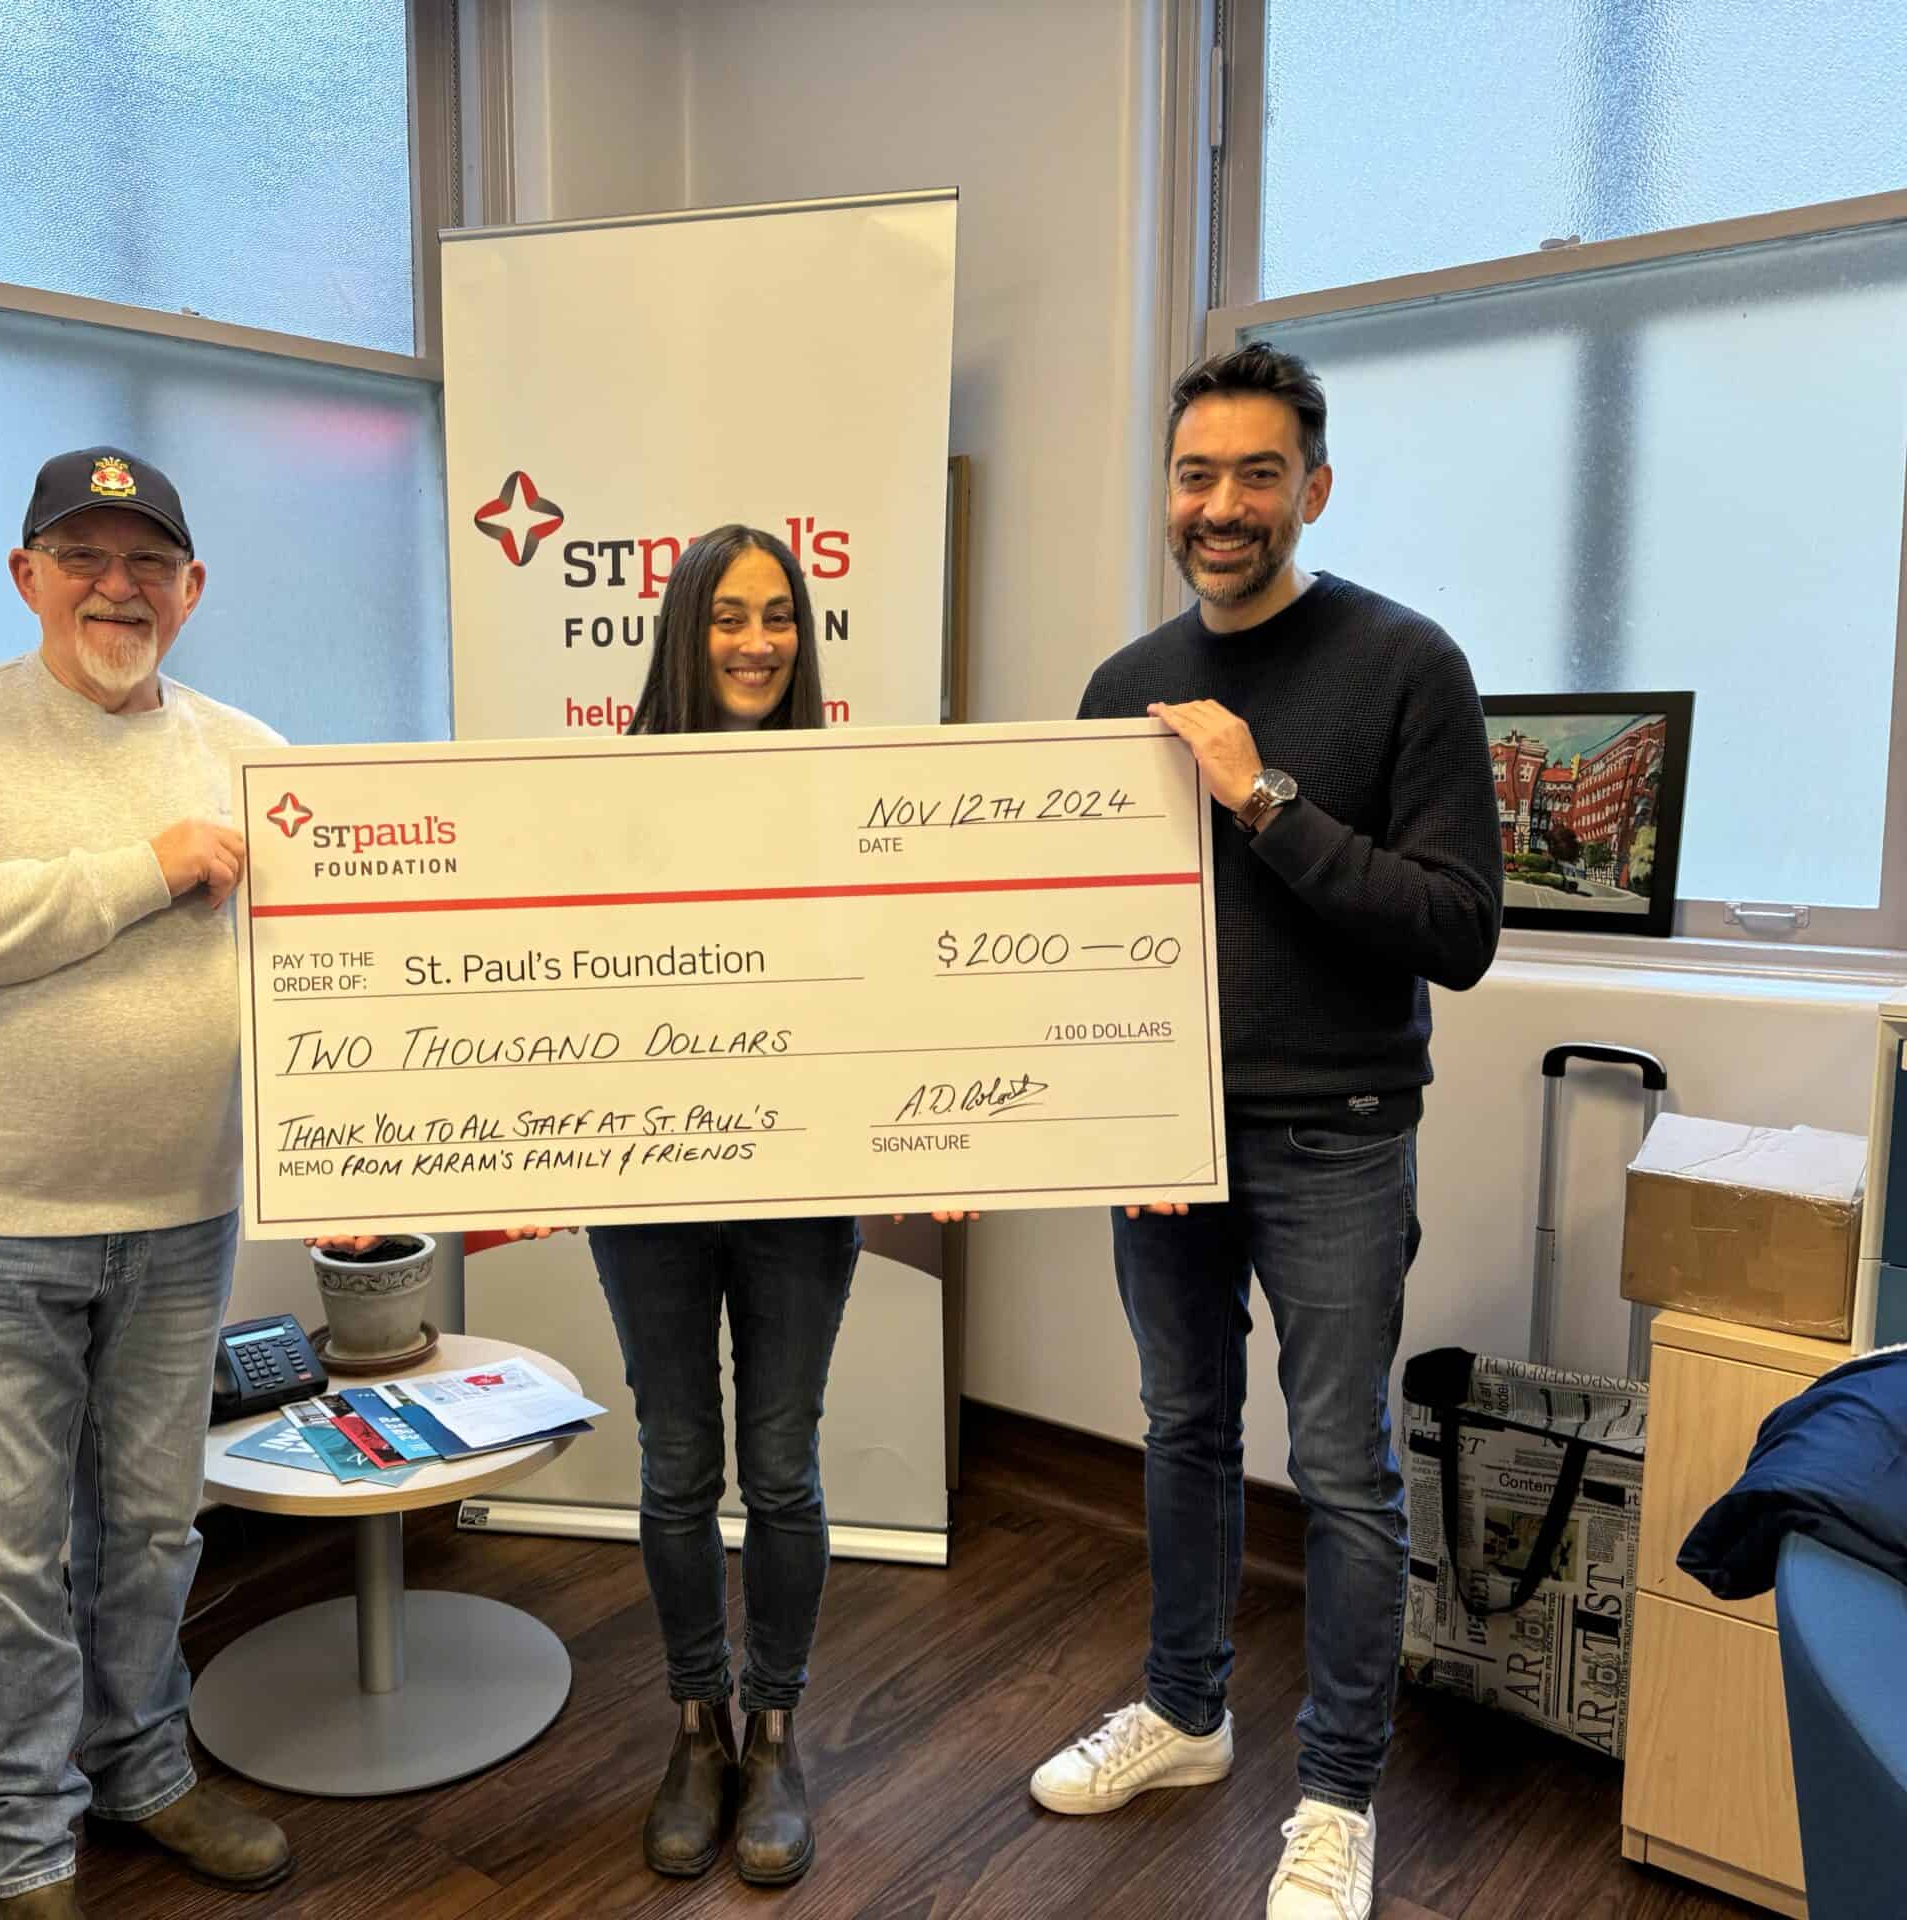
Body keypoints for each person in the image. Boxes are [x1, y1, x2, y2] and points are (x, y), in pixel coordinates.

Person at [1029, 346, 1502, 1920]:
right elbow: (1085, 941)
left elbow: (1456, 929)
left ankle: (1341, 1793)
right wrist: (1082, 1118)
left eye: (1252, 475)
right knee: (1181, 1431)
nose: (1219, 506)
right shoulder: (1121, 685)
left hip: (1339, 1137)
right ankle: (1184, 1713)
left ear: (1312, 487)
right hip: (1163, 1141)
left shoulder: (1406, 665)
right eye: (1193, 475)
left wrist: (1263, 798)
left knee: (1343, 1470)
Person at [0, 447, 292, 1920]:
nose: (119, 587)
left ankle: (146, 1770)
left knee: (156, 1530)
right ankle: (25, 1848)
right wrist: (146, 867)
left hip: (181, 1214)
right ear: (27, 574)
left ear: (192, 588)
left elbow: (327, 982)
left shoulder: (251, 751)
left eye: (148, 562)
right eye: (84, 557)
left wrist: (360, 1143)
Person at [525, 525, 966, 1888]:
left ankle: (776, 1733)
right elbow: (550, 975)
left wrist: (932, 1129)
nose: (757, 641)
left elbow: (893, 975)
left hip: (798, 1184)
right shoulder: (605, 803)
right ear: (681, 632)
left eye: (779, 616)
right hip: (649, 1187)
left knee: (779, 1467)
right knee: (673, 1467)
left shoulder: (850, 796)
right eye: (728, 618)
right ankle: (694, 1728)